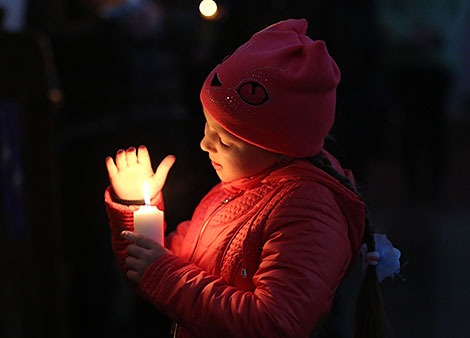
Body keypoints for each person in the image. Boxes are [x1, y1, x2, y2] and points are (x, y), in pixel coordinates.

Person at [104, 19, 399, 338]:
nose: (205, 144)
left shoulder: (309, 214)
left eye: (226, 140)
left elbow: (272, 324)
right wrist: (135, 207)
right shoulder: (237, 189)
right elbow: (151, 270)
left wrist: (162, 273)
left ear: (281, 148)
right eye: (207, 126)